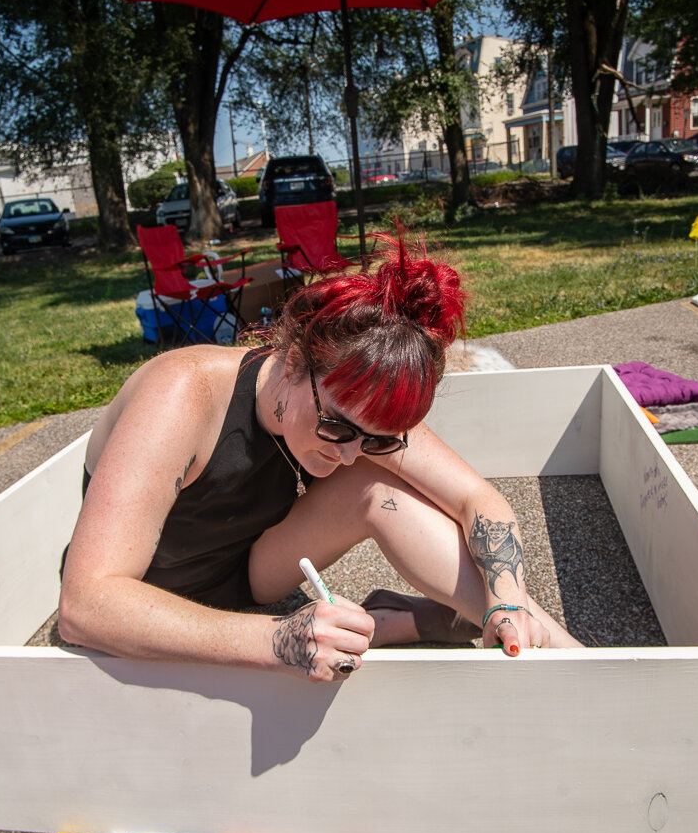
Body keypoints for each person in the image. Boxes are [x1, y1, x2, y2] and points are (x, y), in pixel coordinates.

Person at [58, 232, 583, 683]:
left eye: (376, 440)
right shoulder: (180, 394)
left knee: (377, 490)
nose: (350, 451)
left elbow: (476, 497)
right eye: (336, 427)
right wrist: (279, 639)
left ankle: (567, 661)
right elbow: (85, 607)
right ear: (291, 362)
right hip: (151, 599)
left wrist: (506, 600)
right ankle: (398, 622)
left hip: (246, 574)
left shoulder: (354, 403)